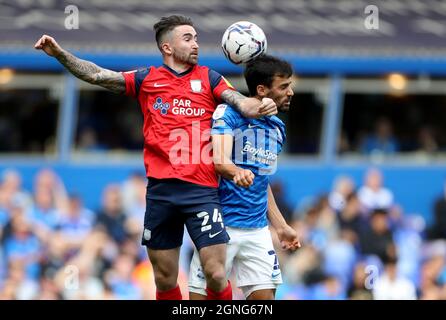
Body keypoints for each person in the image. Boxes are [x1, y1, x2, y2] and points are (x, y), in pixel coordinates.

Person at [34, 15, 278, 300]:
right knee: (164, 279)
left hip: (201, 190)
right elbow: (97, 75)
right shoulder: (147, 79)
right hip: (161, 192)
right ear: (167, 48)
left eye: (196, 38)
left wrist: (260, 105)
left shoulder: (209, 77)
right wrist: (60, 54)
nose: (196, 44)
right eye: (188, 38)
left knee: (215, 272)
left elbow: (239, 102)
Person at [188, 55, 300, 300]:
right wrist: (236, 172)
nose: (290, 92)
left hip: (257, 230)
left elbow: (262, 181)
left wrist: (281, 227)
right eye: (283, 86)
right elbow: (220, 160)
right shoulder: (228, 114)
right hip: (218, 225)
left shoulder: (277, 128)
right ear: (261, 90)